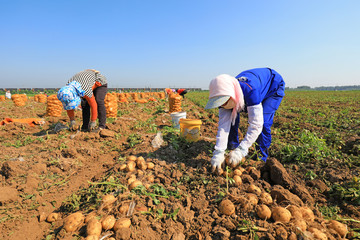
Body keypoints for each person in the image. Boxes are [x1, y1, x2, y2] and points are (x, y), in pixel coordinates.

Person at [205, 68, 285, 174]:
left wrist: (242, 150)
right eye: (220, 102)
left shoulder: (250, 90)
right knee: (232, 118)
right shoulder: (225, 93)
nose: (222, 105)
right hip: (252, 87)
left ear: (231, 95)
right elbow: (224, 126)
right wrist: (219, 152)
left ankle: (260, 159)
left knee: (264, 123)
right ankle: (232, 148)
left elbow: (256, 124)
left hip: (273, 86)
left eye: (224, 101)